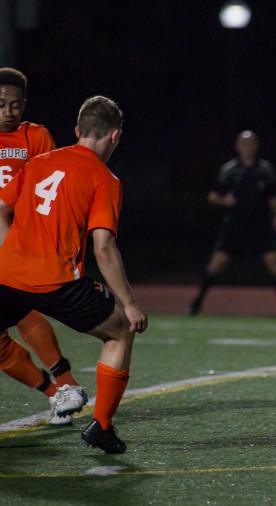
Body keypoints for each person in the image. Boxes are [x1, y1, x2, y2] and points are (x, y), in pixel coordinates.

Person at [0, 95, 148, 453]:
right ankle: (101, 427)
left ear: (78, 130)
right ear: (114, 136)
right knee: (119, 333)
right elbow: (103, 248)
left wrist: (11, 254)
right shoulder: (105, 179)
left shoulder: (38, 162)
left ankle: (59, 392)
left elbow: (2, 209)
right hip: (59, 284)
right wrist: (130, 304)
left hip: (8, 277)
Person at [0, 67, 86, 426]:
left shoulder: (34, 136)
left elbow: (44, 189)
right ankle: (60, 393)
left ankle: (65, 386)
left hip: (15, 243)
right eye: (2, 104)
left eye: (16, 104)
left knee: (21, 311)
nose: (8, 111)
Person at [188, 130, 276, 317]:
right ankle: (196, 304)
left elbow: (273, 197)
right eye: (244, 144)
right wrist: (223, 201)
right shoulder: (229, 170)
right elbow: (212, 195)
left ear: (257, 146)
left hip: (261, 225)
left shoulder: (265, 169)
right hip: (235, 225)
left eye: (251, 143)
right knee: (216, 265)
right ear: (237, 147)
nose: (248, 147)